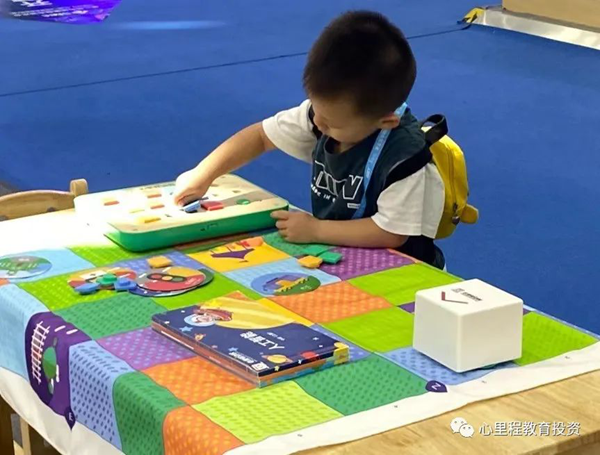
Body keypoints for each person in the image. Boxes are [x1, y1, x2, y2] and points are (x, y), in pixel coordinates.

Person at [174, 10, 445, 268]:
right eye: (317, 110)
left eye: (332, 124)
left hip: (407, 270)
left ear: (385, 121)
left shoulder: (405, 159)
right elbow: (260, 136)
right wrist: (202, 175)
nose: (318, 124)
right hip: (341, 257)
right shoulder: (324, 116)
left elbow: (391, 233)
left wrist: (317, 229)